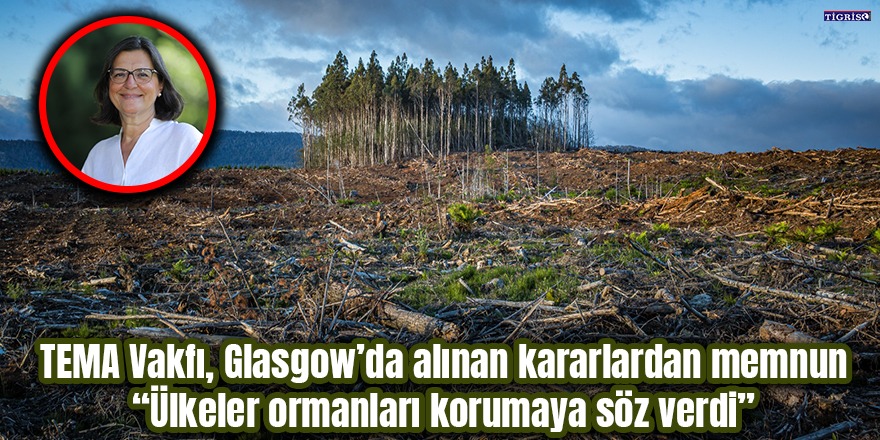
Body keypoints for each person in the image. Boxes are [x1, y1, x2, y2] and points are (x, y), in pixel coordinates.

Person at [81, 35, 202, 186]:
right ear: (108, 85)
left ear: (160, 85)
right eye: (120, 74)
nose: (130, 84)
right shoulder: (98, 155)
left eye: (143, 74)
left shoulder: (185, 141)